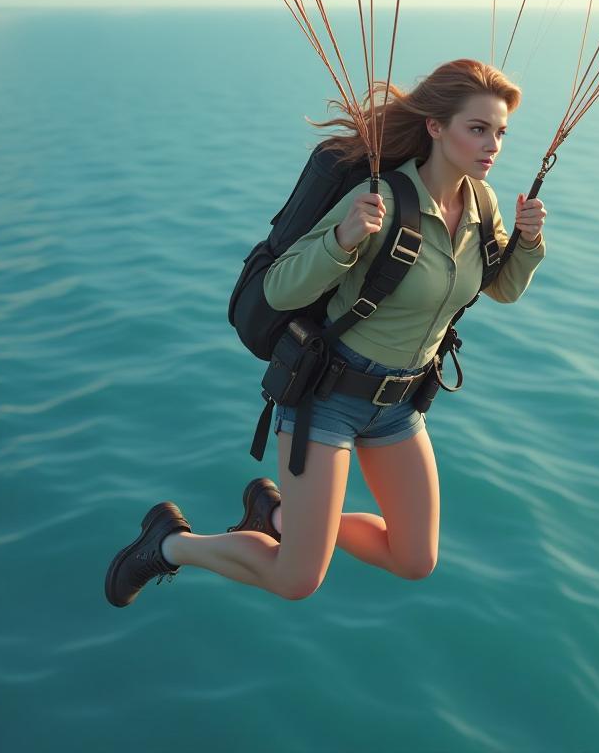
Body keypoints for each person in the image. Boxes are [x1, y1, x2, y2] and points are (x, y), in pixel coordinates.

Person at [105, 58, 547, 606]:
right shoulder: (380, 201)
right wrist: (340, 239)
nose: (493, 145)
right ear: (436, 127)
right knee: (297, 579)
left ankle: (282, 516)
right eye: (478, 129)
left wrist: (525, 245)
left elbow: (500, 288)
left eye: (500, 132)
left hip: (400, 401)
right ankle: (169, 544)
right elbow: (279, 290)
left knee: (415, 560)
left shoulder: (482, 205)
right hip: (327, 397)